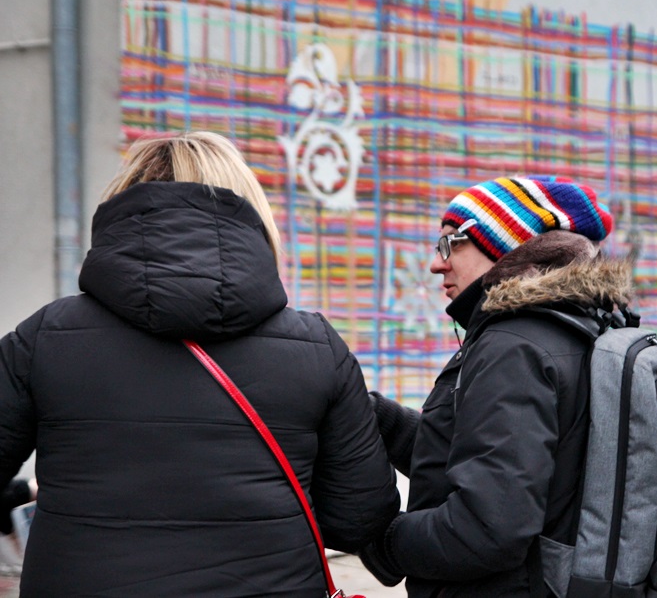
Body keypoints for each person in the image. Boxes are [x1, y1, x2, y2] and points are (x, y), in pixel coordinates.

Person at [0, 132, 400, 596]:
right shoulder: (317, 347)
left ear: (122, 206)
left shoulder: (44, 338)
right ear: (251, 213)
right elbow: (359, 518)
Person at [360, 176, 632, 597]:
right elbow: (485, 456)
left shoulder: (514, 347)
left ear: (507, 245)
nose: (436, 263)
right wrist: (377, 418)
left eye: (450, 244)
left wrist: (383, 540)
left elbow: (487, 528)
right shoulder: (571, 327)